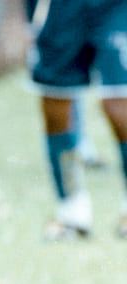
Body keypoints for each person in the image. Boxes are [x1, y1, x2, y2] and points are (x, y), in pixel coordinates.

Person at [28, 0, 127, 240]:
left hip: (115, 7)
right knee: (56, 104)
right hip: (59, 9)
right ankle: (71, 214)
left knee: (119, 104)